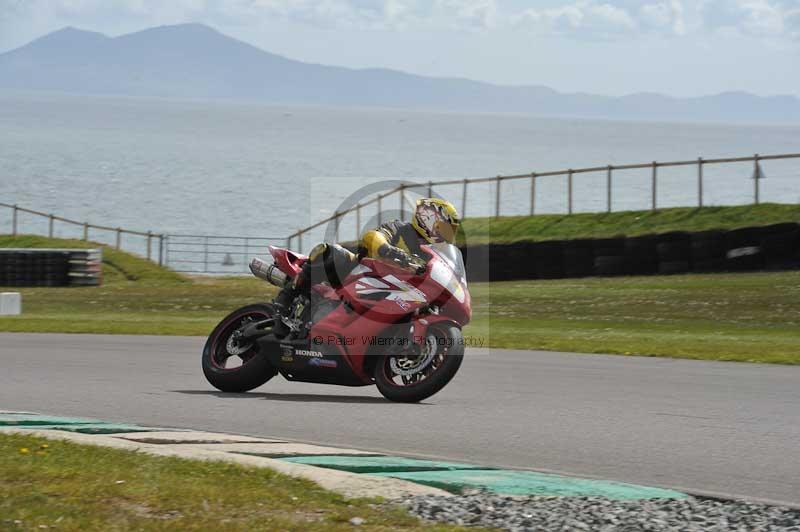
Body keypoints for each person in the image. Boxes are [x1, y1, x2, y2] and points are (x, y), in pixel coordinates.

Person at [271, 197, 461, 337]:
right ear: (428, 219)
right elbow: (373, 236)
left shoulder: (430, 253)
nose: (446, 235)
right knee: (331, 252)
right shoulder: (401, 229)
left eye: (449, 232)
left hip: (394, 290)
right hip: (357, 274)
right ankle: (285, 299)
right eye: (443, 229)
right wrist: (388, 250)